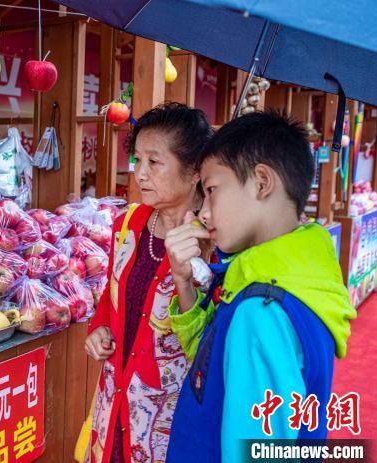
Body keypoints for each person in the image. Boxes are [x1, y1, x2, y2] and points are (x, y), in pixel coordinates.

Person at [164, 111, 357, 462]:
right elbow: (213, 371)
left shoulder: (261, 310)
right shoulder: (293, 279)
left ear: (262, 182)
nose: (203, 213)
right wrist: (184, 282)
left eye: (211, 190)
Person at [82, 102, 212, 463]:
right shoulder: (128, 224)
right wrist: (99, 328)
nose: (140, 174)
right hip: (116, 404)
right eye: (137, 160)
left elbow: (210, 342)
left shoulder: (215, 241)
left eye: (154, 162)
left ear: (194, 171)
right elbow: (112, 298)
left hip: (168, 420)